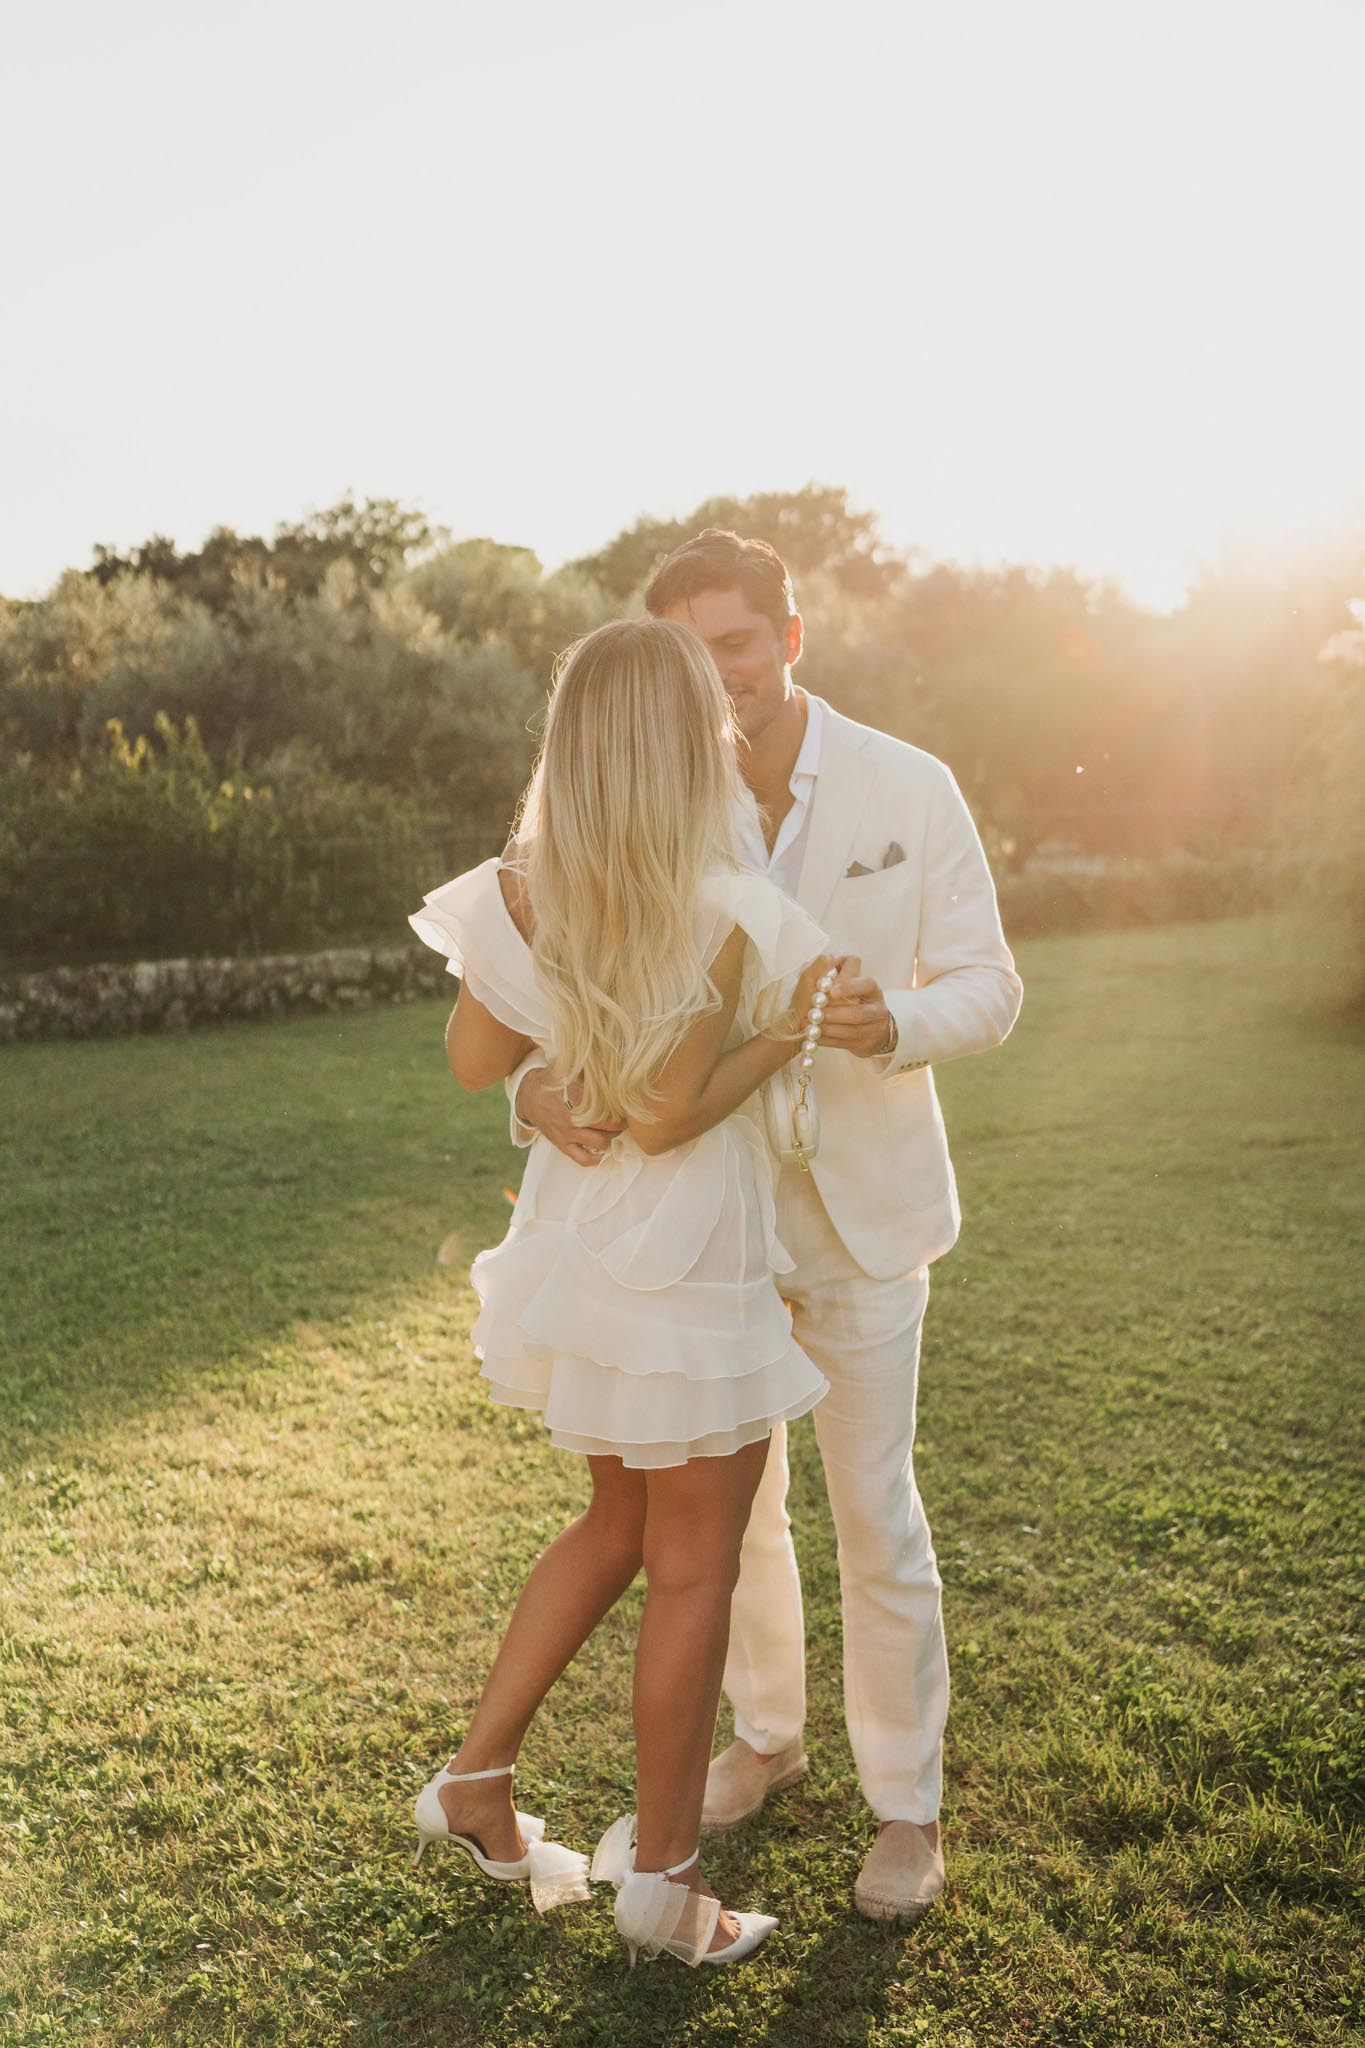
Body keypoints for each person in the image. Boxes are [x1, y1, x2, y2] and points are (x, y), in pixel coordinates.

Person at [506, 531, 1024, 1922]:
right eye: (690, 652)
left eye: (737, 643)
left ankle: (905, 1809)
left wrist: (892, 1020)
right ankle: (767, 1739)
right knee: (725, 1528)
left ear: (790, 639)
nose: (717, 674)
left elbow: (989, 984)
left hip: (864, 1217)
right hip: (708, 1227)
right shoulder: (649, 792)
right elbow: (566, 991)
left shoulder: (908, 784)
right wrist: (526, 1088)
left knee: (874, 1513)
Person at [406, 617, 839, 1969]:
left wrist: (540, 1085)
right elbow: (664, 1114)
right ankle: (667, 1883)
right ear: (685, 741)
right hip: (685, 1251)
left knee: (615, 1523)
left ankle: (476, 1784)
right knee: (694, 1565)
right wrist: (782, 1031)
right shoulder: (716, 899)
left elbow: (475, 1058)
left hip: (582, 1249)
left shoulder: (519, 887)